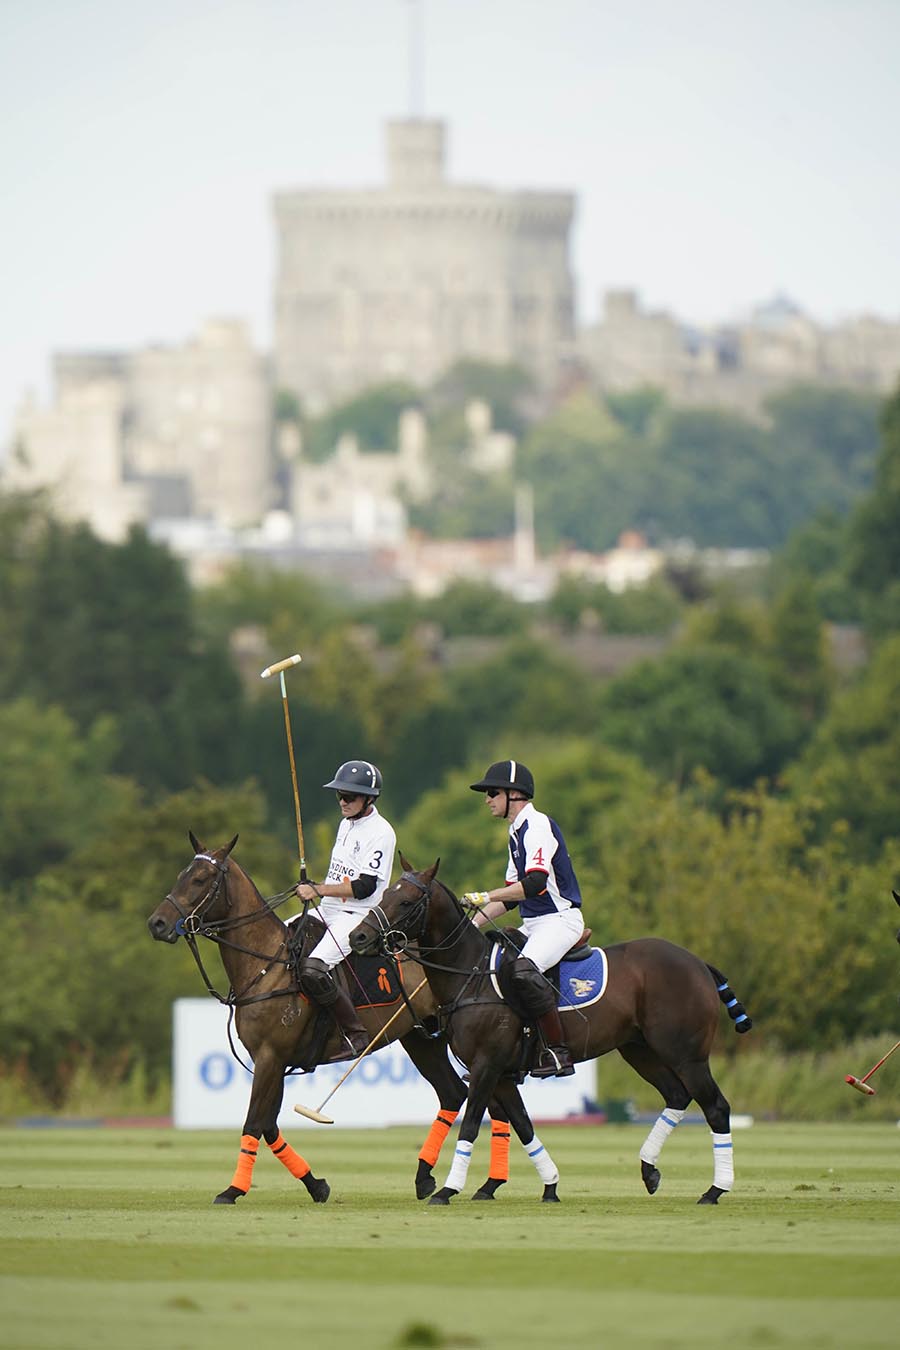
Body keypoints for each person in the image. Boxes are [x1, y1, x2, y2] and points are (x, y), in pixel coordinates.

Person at [463, 759, 582, 1078]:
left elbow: (533, 884)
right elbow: (511, 898)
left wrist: (486, 896)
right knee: (495, 970)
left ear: (513, 794)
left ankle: (558, 1052)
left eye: (492, 792)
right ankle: (514, 1052)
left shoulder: (537, 825)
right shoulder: (515, 833)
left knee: (522, 971)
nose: (487, 799)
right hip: (535, 924)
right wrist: (471, 925)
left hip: (560, 920)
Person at [292, 760, 396, 1061]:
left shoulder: (381, 832)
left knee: (313, 968)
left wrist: (318, 889)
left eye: (349, 796)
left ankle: (355, 1033)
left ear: (369, 798)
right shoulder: (345, 823)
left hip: (359, 916)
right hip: (329, 909)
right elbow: (341, 876)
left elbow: (363, 886)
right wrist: (319, 887)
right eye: (340, 795)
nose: (342, 801)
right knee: (283, 940)